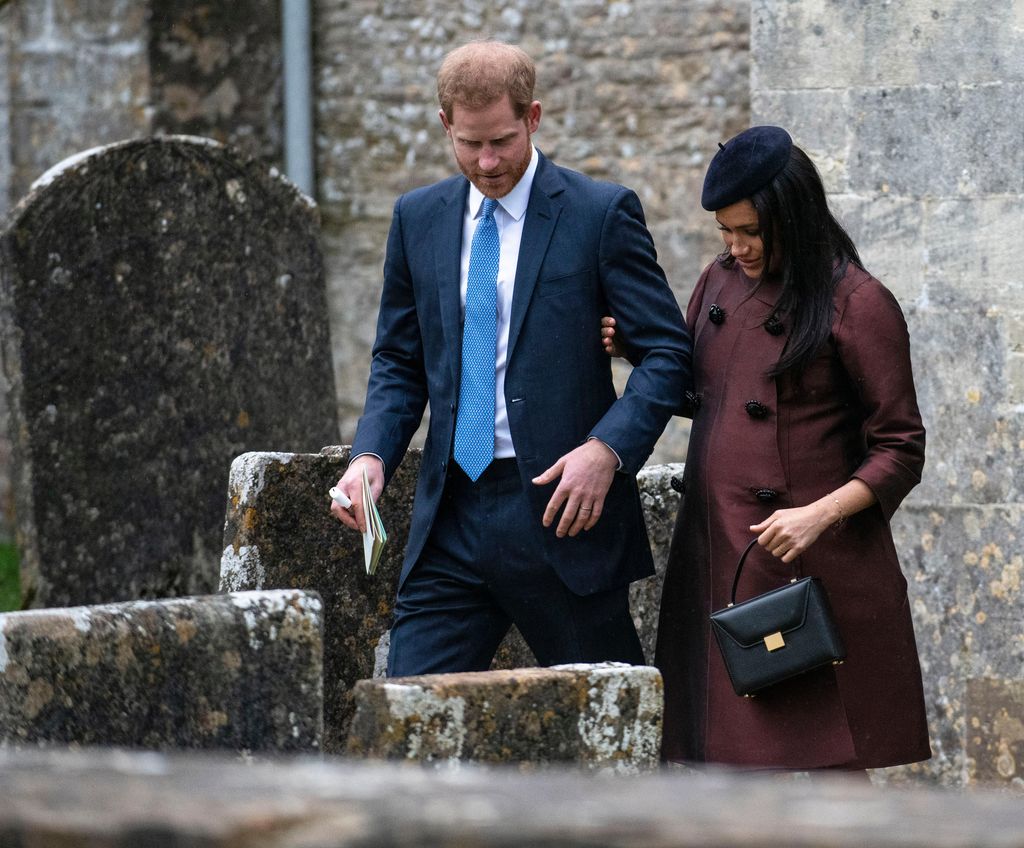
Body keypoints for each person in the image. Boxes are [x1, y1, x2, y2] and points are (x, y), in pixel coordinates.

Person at [331, 40, 692, 677]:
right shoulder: (417, 218)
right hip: (449, 518)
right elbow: (398, 360)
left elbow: (667, 353)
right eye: (469, 144)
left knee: (615, 745)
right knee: (405, 723)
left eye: (501, 139)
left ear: (534, 117)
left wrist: (606, 450)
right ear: (446, 124)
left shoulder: (599, 213)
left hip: (562, 515)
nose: (488, 160)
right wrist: (370, 456)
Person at [603, 126, 930, 771]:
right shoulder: (718, 284)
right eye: (725, 231)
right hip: (717, 553)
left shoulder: (859, 303)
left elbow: (901, 447)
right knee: (716, 760)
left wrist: (818, 514)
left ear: (792, 214)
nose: (735, 247)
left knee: (817, 769)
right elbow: (711, 395)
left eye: (749, 231)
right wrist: (638, 351)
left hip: (806, 562)